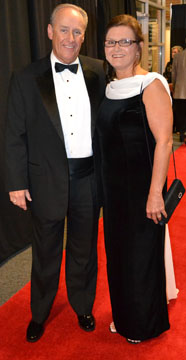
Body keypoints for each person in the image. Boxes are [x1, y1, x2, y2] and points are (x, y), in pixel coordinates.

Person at [5, 3, 105, 342]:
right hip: (45, 180)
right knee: (45, 251)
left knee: (84, 248)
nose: (71, 38)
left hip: (89, 178)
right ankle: (39, 312)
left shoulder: (98, 70)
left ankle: (82, 304)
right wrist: (16, 182)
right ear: (50, 31)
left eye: (77, 32)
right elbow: (14, 135)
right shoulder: (25, 78)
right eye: (64, 29)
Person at [95, 14, 173, 343]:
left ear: (138, 48)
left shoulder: (150, 83)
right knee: (119, 256)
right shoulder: (110, 86)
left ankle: (143, 324)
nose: (117, 48)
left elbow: (165, 142)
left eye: (124, 41)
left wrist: (155, 193)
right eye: (111, 42)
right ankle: (125, 316)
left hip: (144, 188)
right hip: (115, 193)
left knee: (140, 258)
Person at [172, 34, 186, 141]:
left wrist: (175, 86)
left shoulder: (178, 56)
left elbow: (174, 75)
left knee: (182, 114)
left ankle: (182, 135)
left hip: (180, 91)